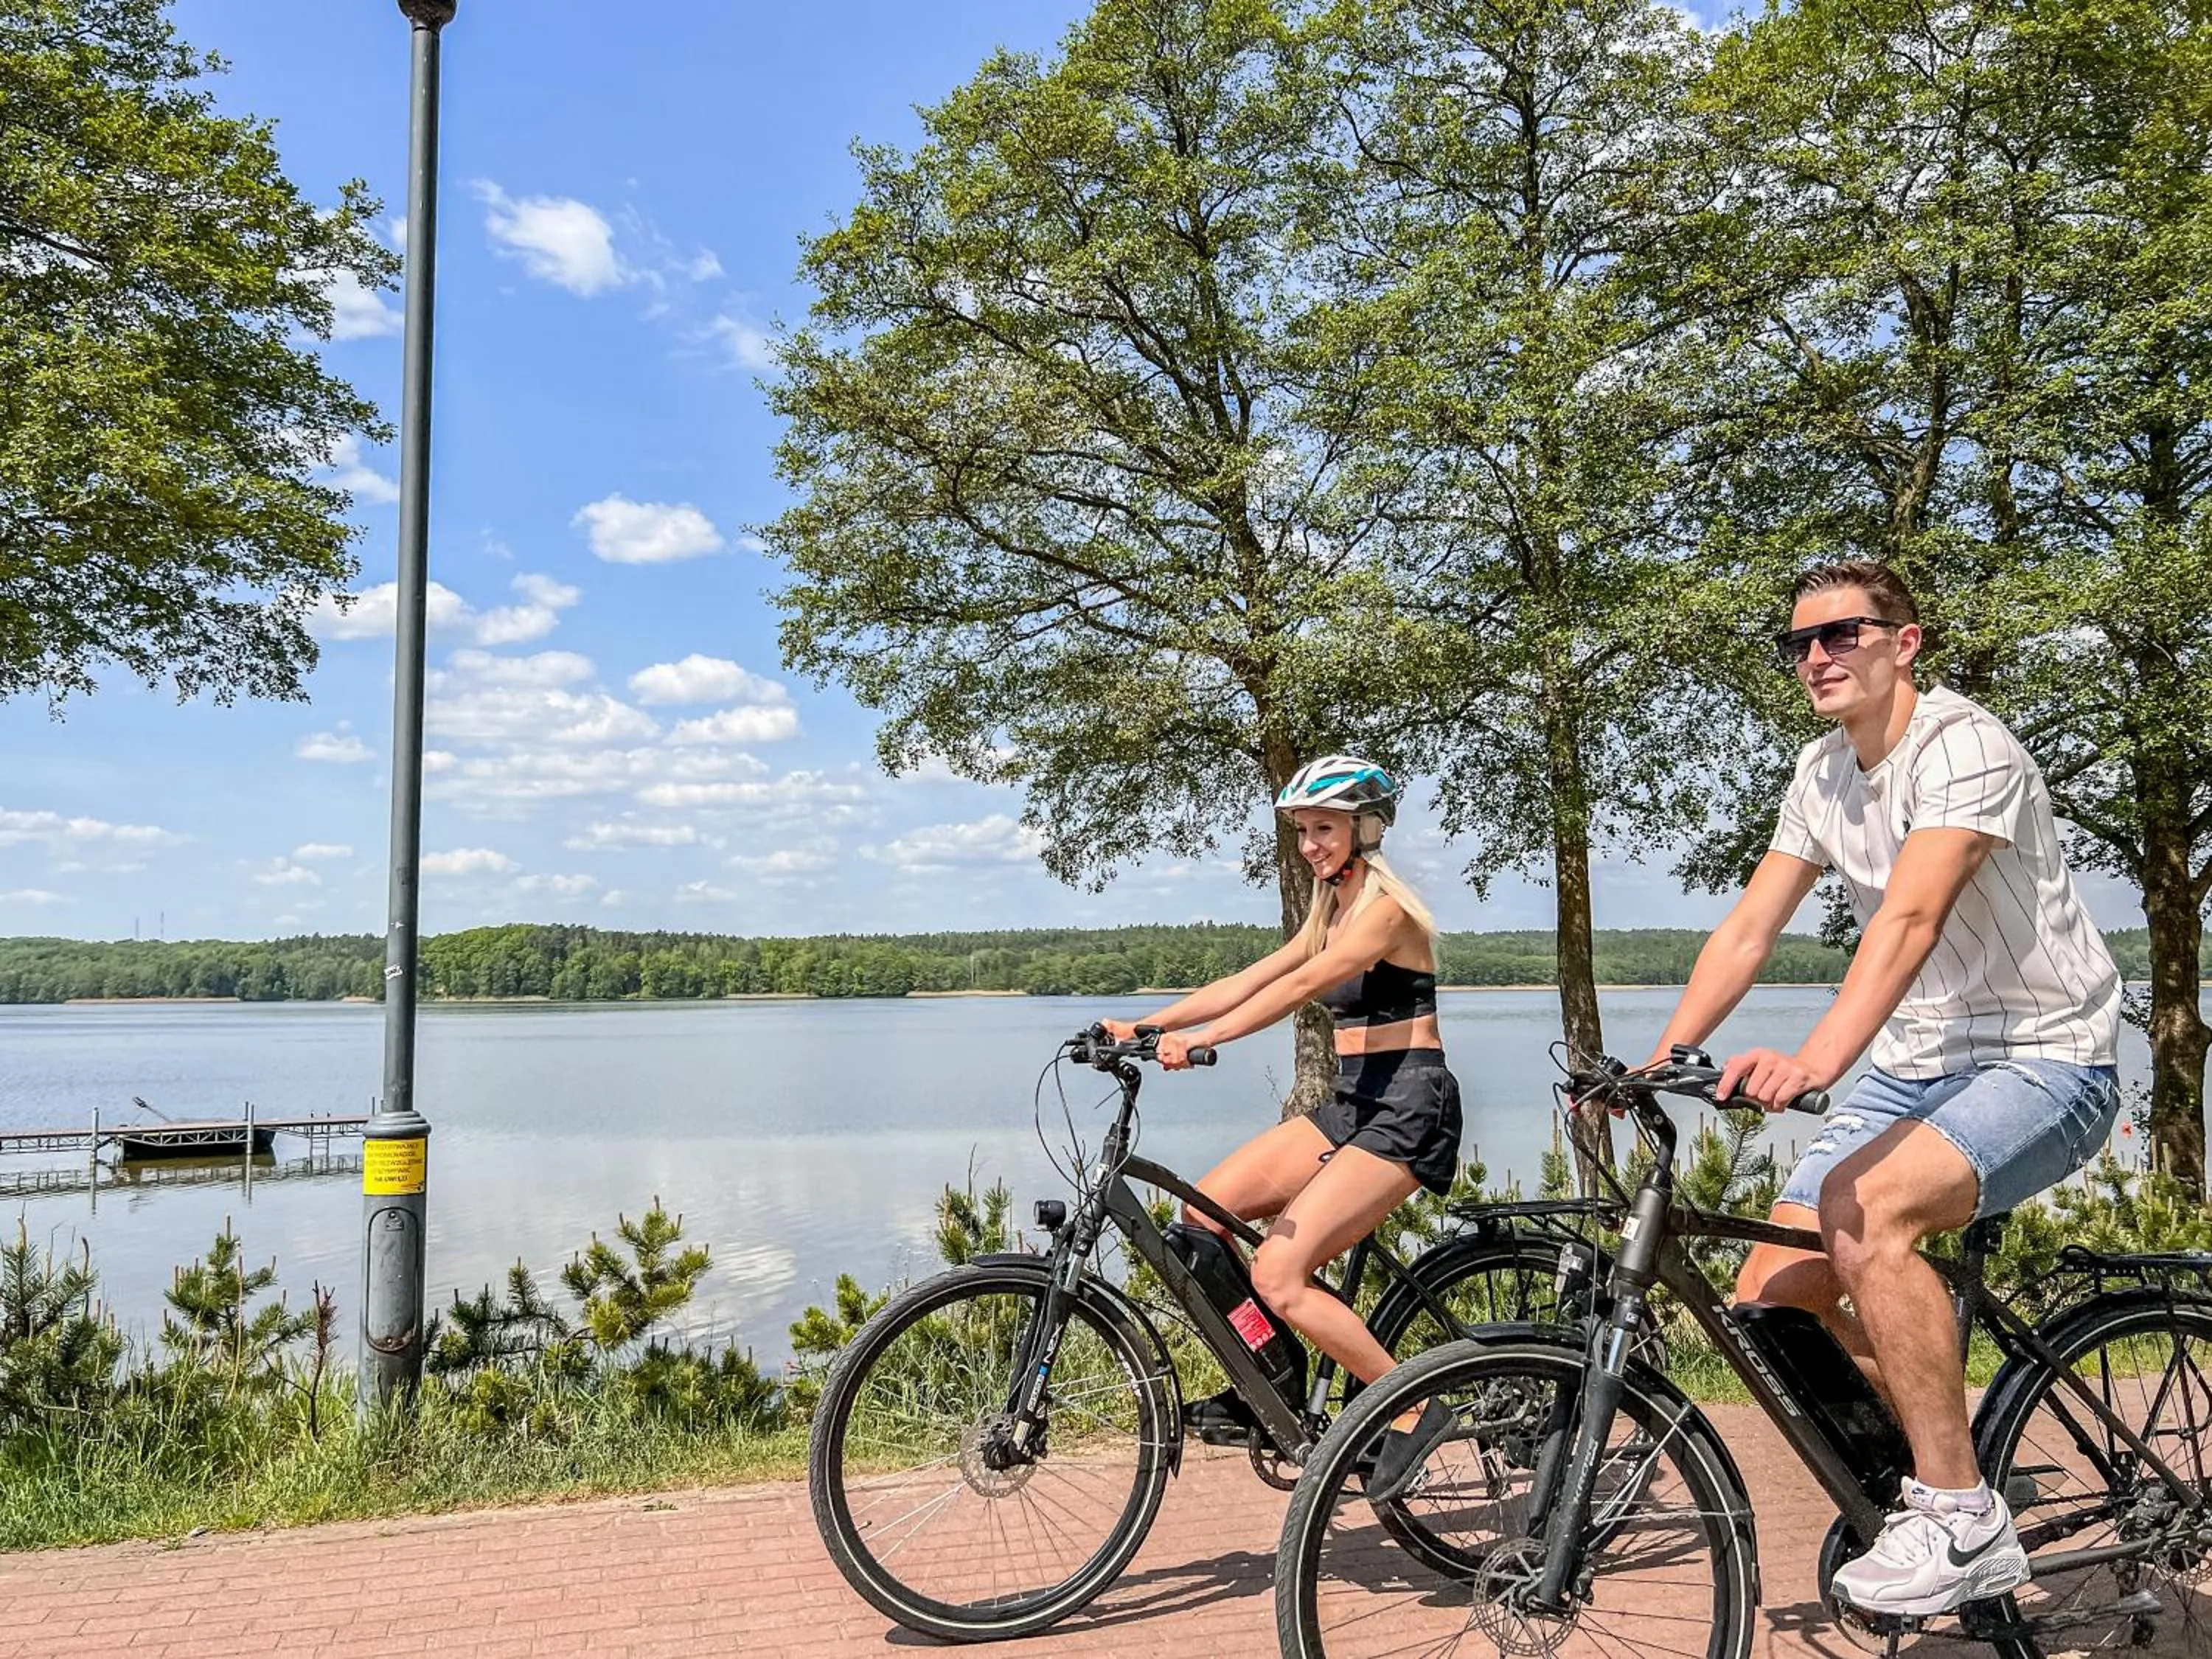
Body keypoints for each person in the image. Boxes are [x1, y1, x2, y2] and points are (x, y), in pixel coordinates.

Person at [1643, 560, 2123, 1618]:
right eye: (1799, 643)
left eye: (1842, 634)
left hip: (2047, 1056)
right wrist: (1660, 1055)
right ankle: (1927, 1470)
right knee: (1773, 1301)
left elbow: (1907, 919)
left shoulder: (1966, 746)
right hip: (1915, 1064)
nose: (1816, 656)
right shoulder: (1820, 772)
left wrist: (1814, 1061)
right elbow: (1750, 927)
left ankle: (1962, 1513)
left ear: (1905, 643)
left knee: (1868, 1212)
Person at [1102, 754, 1463, 1499]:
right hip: (1353, 1101)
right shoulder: (1333, 904)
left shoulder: (1386, 911)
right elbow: (1262, 973)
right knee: (1201, 1215)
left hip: (1407, 1107)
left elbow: (1303, 988)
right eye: (1302, 832)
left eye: (1323, 830)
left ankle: (1417, 1408)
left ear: (1365, 828)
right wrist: (1147, 1022)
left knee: (1280, 1272)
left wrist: (1211, 1043)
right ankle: (1271, 1382)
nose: (1309, 846)